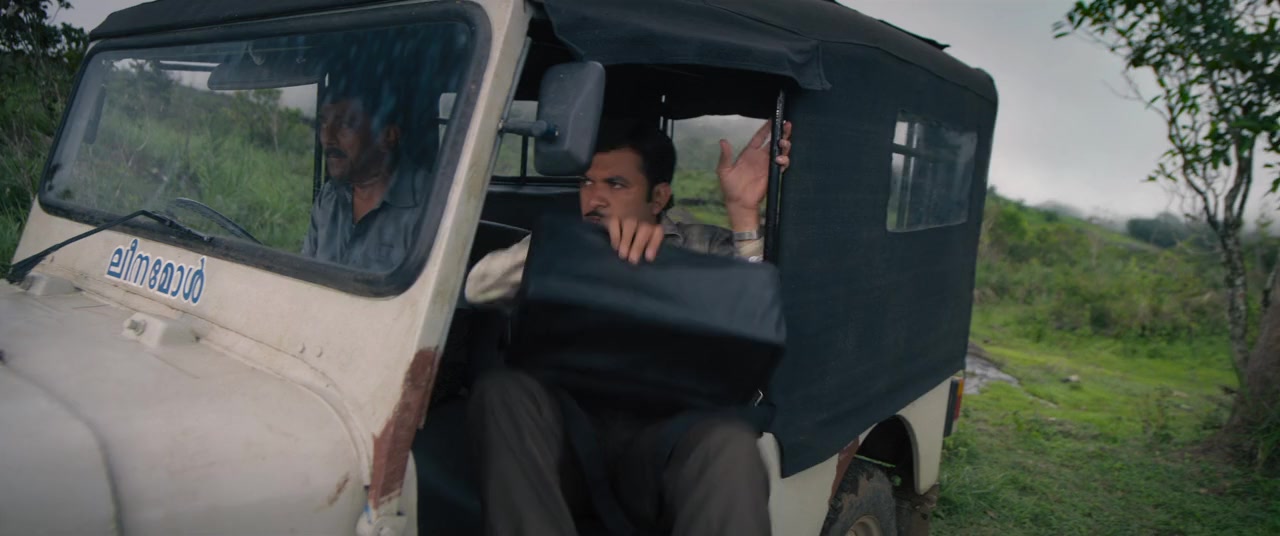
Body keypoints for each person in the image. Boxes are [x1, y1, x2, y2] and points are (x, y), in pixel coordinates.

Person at [465, 118, 793, 536]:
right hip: (569, 441)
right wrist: (582, 251)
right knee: (501, 390)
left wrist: (743, 213)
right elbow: (479, 288)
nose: (595, 197)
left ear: (658, 197)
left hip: (664, 449)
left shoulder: (701, 247)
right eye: (587, 183)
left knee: (731, 443)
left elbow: (755, 314)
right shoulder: (565, 243)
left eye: (616, 184)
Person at [301, 78, 426, 272]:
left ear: (387, 136)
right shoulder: (329, 197)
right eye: (323, 122)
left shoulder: (430, 205)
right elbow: (305, 274)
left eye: (345, 124)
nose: (327, 138)